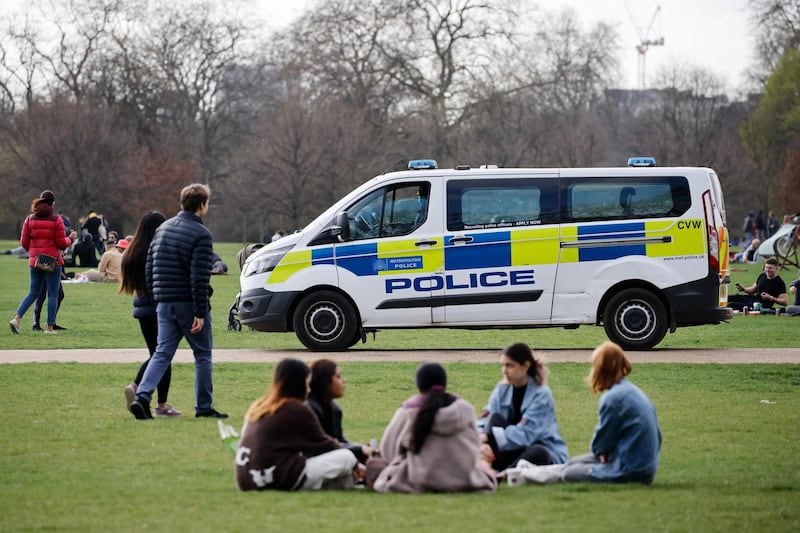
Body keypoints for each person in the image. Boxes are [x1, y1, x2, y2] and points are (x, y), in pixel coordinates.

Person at [129, 183, 227, 420]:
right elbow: (199, 277)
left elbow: (150, 267)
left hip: (163, 303)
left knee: (162, 353)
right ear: (202, 205)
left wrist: (157, 296)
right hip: (188, 303)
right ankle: (204, 406)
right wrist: (200, 312)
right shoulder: (201, 234)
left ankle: (142, 397)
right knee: (202, 354)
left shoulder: (163, 228)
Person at [527, 342, 662, 485]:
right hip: (644, 466)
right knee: (573, 462)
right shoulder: (633, 391)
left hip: (630, 470)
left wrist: (603, 452)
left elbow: (600, 444)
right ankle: (533, 472)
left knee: (569, 473)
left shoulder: (613, 399)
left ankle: (532, 475)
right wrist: (605, 452)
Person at [235, 358, 363, 491]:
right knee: (346, 457)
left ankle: (355, 481)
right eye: (307, 384)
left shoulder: (259, 406)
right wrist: (356, 463)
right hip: (277, 476)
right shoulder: (295, 408)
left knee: (345, 480)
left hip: (246, 480)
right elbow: (324, 445)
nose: (308, 390)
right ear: (297, 384)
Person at [369, 363, 497, 493]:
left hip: (419, 479)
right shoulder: (465, 409)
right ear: (445, 383)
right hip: (462, 477)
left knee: (374, 465)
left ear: (418, 385)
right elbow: (475, 444)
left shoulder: (408, 411)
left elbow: (388, 451)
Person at [119, 211, 181, 417]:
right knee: (163, 355)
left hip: (141, 308)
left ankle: (144, 391)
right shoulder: (157, 250)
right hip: (158, 307)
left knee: (157, 354)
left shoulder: (133, 251)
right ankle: (154, 399)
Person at [478, 342, 568, 471]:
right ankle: (496, 467)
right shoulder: (501, 389)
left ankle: (505, 473)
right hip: (508, 447)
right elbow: (484, 419)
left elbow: (526, 434)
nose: (504, 371)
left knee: (539, 453)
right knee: (494, 418)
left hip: (538, 447)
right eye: (502, 365)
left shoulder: (542, 394)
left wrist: (490, 437)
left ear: (525, 366)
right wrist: (479, 439)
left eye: (510, 366)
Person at [10, 190, 77, 335]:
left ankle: (17, 319)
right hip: (52, 261)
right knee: (53, 294)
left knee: (33, 292)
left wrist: (34, 252)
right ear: (53, 203)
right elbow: (61, 243)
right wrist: (71, 238)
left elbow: (24, 243)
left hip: (35, 261)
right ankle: (49, 328)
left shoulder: (29, 219)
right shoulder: (56, 219)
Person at [308, 359, 371, 463]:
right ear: (325, 381)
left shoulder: (333, 408)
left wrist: (361, 448)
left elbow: (339, 441)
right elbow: (321, 446)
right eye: (338, 377)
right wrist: (359, 450)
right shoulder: (310, 409)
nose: (343, 380)